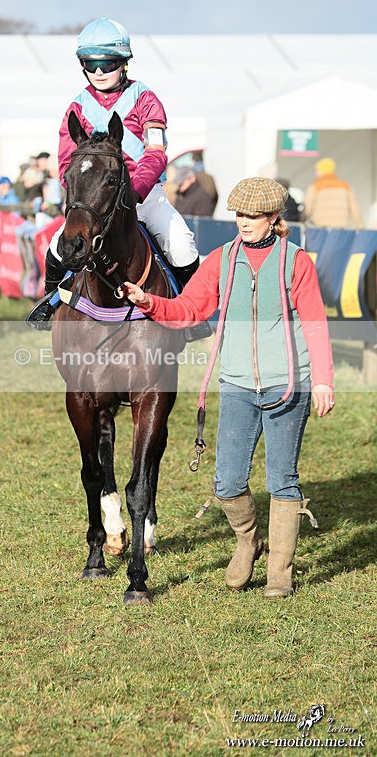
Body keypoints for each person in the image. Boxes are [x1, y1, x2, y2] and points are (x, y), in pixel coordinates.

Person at [122, 177, 335, 598]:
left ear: (274, 218)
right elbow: (188, 309)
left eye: (253, 216)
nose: (244, 222)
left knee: (282, 481)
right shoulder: (221, 260)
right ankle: (247, 540)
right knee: (227, 482)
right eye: (238, 214)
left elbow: (314, 322)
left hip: (288, 386)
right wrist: (149, 302)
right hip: (236, 386)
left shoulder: (297, 263)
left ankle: (279, 570)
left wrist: (324, 379)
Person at [26, 17, 199, 327]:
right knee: (56, 248)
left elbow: (156, 153)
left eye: (107, 63)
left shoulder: (145, 99)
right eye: (91, 64)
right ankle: (50, 304)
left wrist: (136, 191)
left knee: (182, 246)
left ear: (123, 64)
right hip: (95, 201)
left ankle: (191, 315)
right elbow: (68, 162)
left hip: (141, 195)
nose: (99, 72)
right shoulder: (76, 108)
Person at [303, 157, 364, 229]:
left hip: (321, 227)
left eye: (317, 170)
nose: (316, 173)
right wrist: (360, 224)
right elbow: (354, 208)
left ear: (321, 171)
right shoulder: (345, 186)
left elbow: (307, 208)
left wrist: (302, 219)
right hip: (341, 227)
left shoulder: (315, 186)